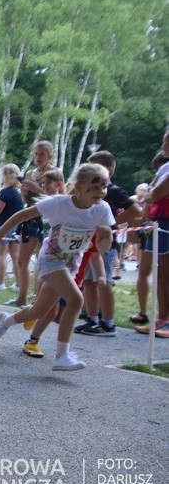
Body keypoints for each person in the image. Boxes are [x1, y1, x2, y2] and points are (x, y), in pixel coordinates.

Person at [0, 163, 116, 371]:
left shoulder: (102, 209)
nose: (101, 191)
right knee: (76, 299)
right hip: (51, 260)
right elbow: (21, 216)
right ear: (80, 186)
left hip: (70, 264)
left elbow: (103, 243)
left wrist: (106, 236)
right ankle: (62, 355)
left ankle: (6, 321)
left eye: (105, 186)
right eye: (96, 186)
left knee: (40, 309)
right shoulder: (59, 204)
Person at [73, 151, 142, 337]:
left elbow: (135, 209)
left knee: (104, 282)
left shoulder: (112, 191)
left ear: (108, 170)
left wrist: (113, 223)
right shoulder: (90, 191)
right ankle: (93, 319)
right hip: (90, 243)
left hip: (104, 243)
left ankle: (108, 322)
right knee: (89, 281)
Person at [14, 140, 61, 307]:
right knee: (22, 260)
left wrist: (37, 189)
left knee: (42, 260)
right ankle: (22, 296)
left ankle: (38, 299)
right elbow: (26, 199)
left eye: (42, 154)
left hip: (47, 218)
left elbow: (61, 198)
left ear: (50, 155)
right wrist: (24, 192)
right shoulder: (29, 173)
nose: (38, 157)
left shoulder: (56, 173)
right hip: (30, 217)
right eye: (36, 153)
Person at [133, 136, 169, 337]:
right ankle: (162, 318)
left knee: (167, 275)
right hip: (158, 223)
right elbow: (150, 192)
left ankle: (167, 320)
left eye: (166, 142)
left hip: (167, 224)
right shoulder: (165, 167)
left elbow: (154, 194)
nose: (162, 145)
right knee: (160, 274)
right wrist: (150, 194)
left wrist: (151, 194)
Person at [0, 164, 24, 294]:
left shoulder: (5, 193)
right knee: (15, 256)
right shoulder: (18, 193)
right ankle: (18, 283)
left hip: (3, 226)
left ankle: (0, 282)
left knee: (1, 254)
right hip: (16, 226)